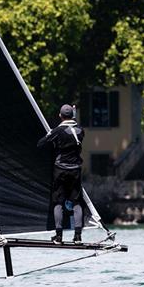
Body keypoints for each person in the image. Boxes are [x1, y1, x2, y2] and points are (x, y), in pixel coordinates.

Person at [37, 103, 84, 244]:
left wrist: (51, 136)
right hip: (75, 169)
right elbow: (72, 132)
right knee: (76, 202)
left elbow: (41, 144)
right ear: (72, 115)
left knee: (58, 202)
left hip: (61, 170)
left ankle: (58, 236)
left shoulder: (57, 131)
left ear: (60, 116)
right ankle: (77, 237)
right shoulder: (81, 130)